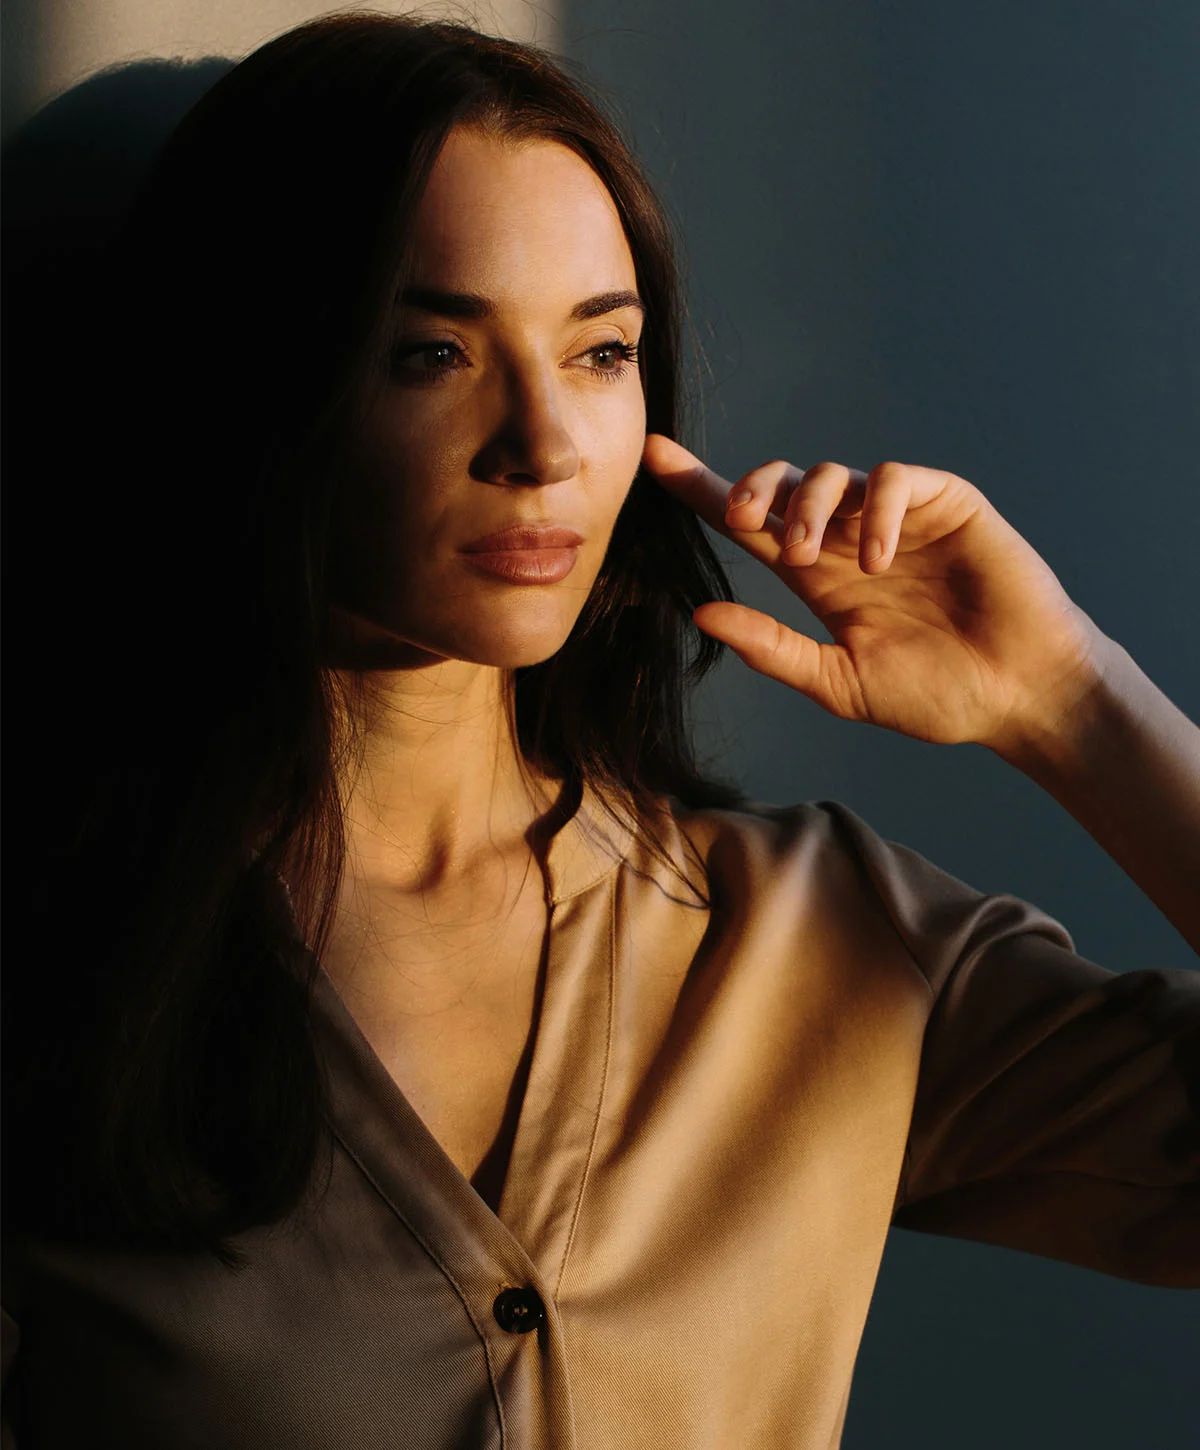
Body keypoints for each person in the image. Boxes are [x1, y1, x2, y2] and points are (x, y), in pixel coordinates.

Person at [2, 11, 1197, 1448]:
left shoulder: (817, 940)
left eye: (602, 351)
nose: (546, 446)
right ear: (261, 380)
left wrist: (1073, 700)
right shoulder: (61, 954)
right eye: (435, 351)